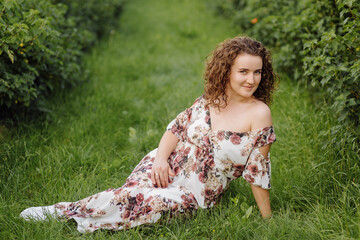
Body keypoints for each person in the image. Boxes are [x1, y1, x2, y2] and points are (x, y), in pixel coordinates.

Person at [20, 36, 278, 233]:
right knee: (132, 195)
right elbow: (175, 129)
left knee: (140, 201)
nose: (251, 80)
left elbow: (257, 172)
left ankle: (65, 213)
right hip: (165, 166)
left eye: (257, 72)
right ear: (227, 71)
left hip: (193, 195)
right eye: (243, 71)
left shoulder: (259, 114)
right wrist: (160, 160)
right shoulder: (212, 99)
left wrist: (268, 220)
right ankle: (70, 213)